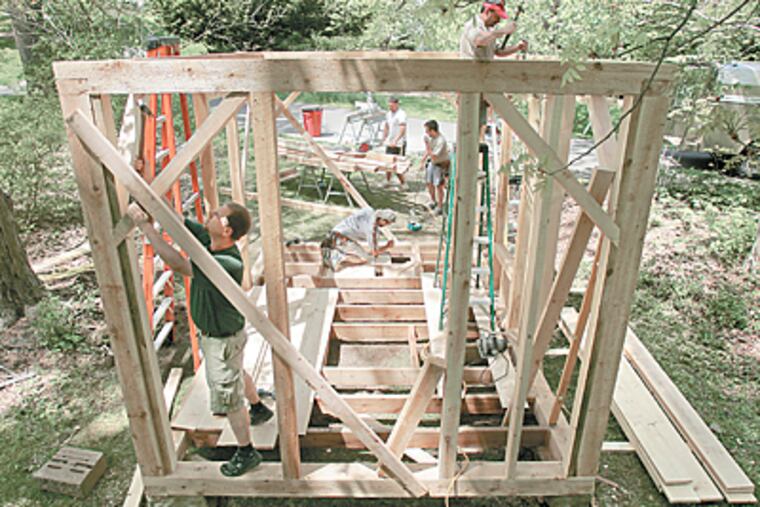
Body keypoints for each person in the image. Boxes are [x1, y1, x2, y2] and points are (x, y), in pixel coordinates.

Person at [129, 201, 271, 477]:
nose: (210, 214)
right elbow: (178, 222)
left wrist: (145, 226)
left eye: (217, 215)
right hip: (225, 337)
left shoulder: (225, 262)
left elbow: (177, 263)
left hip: (222, 339)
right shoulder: (211, 240)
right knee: (235, 373)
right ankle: (258, 408)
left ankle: (246, 451)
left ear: (226, 230)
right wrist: (148, 197)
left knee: (228, 397)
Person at [460, 1, 528, 135]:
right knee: (468, 124)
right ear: (488, 11)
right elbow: (479, 41)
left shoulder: (489, 31)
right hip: (471, 82)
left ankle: (475, 150)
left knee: (480, 123)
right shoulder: (472, 25)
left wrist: (517, 47)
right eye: (497, 17)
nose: (497, 22)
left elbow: (498, 52)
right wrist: (502, 31)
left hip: (484, 82)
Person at [321, 208, 396, 271]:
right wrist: (387, 246)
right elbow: (374, 253)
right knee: (364, 259)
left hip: (335, 232)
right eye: (388, 223)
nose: (386, 225)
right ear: (383, 220)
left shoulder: (368, 210)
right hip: (341, 240)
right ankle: (337, 256)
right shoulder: (371, 230)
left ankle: (335, 248)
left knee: (357, 247)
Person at [420, 120, 450, 215]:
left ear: (433, 130)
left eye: (427, 131)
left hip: (440, 164)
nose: (426, 133)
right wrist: (422, 161)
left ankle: (440, 206)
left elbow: (433, 155)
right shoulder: (432, 138)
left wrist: (427, 145)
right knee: (429, 183)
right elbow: (428, 152)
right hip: (432, 163)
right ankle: (433, 201)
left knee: (439, 186)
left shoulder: (441, 141)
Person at [380, 96, 407, 186]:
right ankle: (388, 181)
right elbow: (386, 126)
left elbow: (402, 128)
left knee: (397, 164)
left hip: (398, 143)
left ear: (396, 104)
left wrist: (396, 140)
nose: (390, 108)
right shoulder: (388, 114)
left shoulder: (401, 114)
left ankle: (403, 183)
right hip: (390, 142)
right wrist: (384, 137)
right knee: (387, 162)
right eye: (389, 106)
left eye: (392, 106)